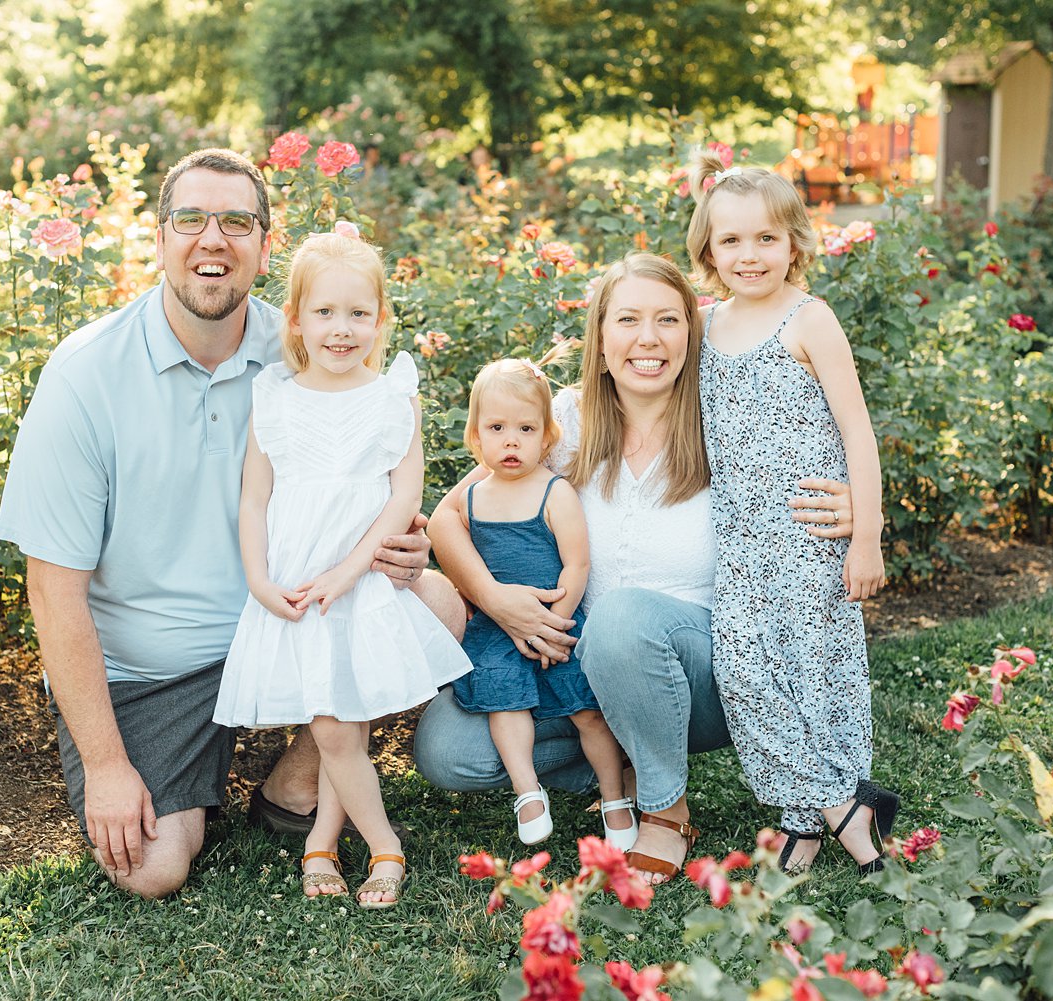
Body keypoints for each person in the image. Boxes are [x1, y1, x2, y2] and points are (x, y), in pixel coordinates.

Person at [0, 148, 448, 900]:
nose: (214, 239)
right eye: (191, 219)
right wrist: (108, 765)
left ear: (266, 247)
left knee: (434, 602)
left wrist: (398, 548)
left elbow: (375, 465)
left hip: (281, 617)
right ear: (161, 238)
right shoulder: (84, 375)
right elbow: (53, 590)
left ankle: (293, 784)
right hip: (151, 668)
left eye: (237, 221)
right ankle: (185, 775)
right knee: (153, 868)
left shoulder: (308, 348)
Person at [416, 253, 857, 884]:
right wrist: (492, 598)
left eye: (667, 320)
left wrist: (851, 503)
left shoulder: (724, 415)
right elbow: (446, 517)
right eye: (627, 320)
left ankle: (663, 808)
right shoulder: (565, 421)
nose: (647, 340)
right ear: (599, 339)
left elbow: (810, 454)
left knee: (622, 619)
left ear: (691, 333)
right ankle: (621, 762)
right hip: (581, 661)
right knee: (447, 753)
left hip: (709, 667)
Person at [213, 229, 470, 908]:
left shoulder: (393, 397)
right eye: (324, 312)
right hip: (298, 581)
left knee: (343, 722)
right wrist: (259, 579)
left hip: (359, 583)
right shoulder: (274, 395)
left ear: (380, 319)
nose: (342, 328)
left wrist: (350, 572)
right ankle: (363, 840)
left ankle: (341, 842)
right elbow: (254, 496)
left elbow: (405, 496)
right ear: (294, 318)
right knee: (333, 722)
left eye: (359, 313)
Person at [689, 151, 894, 873]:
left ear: (795, 243)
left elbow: (856, 431)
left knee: (816, 675)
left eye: (766, 238)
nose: (749, 254)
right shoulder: (705, 324)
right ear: (708, 249)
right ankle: (848, 806)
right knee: (747, 674)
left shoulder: (811, 319)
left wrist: (864, 533)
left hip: (812, 536)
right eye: (732, 240)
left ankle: (806, 822)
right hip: (741, 544)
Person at [434, 358, 636, 850]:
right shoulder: (473, 497)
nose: (510, 441)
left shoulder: (554, 491)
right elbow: (436, 526)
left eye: (525, 429)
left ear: (548, 437)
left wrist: (556, 623)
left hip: (559, 623)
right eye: (497, 428)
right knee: (507, 701)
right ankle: (528, 792)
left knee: (587, 708)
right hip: (496, 629)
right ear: (476, 436)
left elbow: (576, 566)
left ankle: (614, 798)